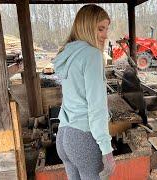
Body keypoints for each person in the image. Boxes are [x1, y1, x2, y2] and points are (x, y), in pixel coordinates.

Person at [53, 4, 115, 180]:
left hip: (64, 136)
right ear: (87, 27)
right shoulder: (92, 55)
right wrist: (107, 150)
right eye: (100, 29)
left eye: (106, 29)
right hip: (83, 138)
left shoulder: (69, 53)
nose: (105, 35)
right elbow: (97, 108)